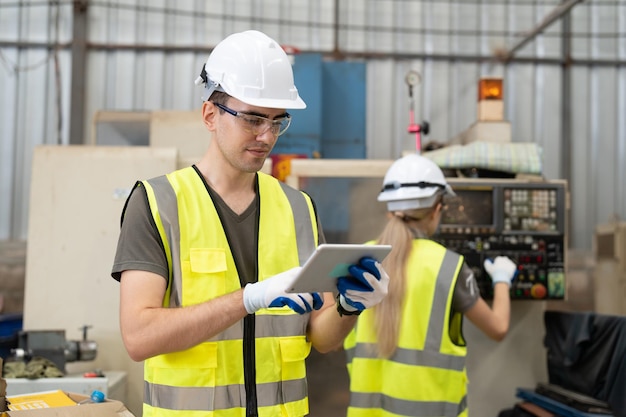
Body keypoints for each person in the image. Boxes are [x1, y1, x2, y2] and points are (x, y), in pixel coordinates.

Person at [110, 30, 389, 417]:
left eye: (278, 122)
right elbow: (139, 337)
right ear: (210, 114)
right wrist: (246, 300)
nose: (266, 136)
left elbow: (322, 340)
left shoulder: (299, 208)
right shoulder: (158, 204)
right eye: (253, 119)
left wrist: (348, 307)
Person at [343, 153, 517, 417]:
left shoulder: (359, 259)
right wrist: (502, 279)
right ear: (437, 209)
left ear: (390, 209)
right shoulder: (449, 266)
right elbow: (498, 328)